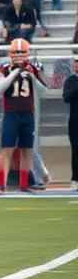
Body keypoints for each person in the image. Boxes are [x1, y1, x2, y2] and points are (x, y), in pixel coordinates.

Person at [0, 38, 47, 194]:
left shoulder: (33, 68)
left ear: (27, 54)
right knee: (7, 149)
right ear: (10, 53)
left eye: (21, 53)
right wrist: (16, 72)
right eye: (16, 53)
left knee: (26, 149)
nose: (18, 55)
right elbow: (0, 88)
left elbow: (43, 89)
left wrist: (31, 76)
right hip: (10, 112)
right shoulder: (5, 68)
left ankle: (24, 184)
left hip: (27, 113)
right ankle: (0, 184)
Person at [63, 57, 78, 192]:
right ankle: (75, 179)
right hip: (75, 121)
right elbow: (66, 97)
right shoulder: (70, 81)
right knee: (76, 151)